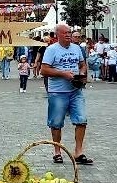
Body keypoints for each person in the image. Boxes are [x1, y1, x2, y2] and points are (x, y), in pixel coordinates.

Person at [40, 24, 93, 165]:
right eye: (65, 33)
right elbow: (44, 70)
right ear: (58, 35)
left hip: (75, 90)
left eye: (70, 32)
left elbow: (82, 64)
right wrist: (63, 74)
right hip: (57, 91)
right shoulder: (51, 50)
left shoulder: (77, 48)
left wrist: (82, 73)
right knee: (56, 123)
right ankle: (57, 152)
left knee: (82, 120)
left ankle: (78, 152)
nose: (68, 35)